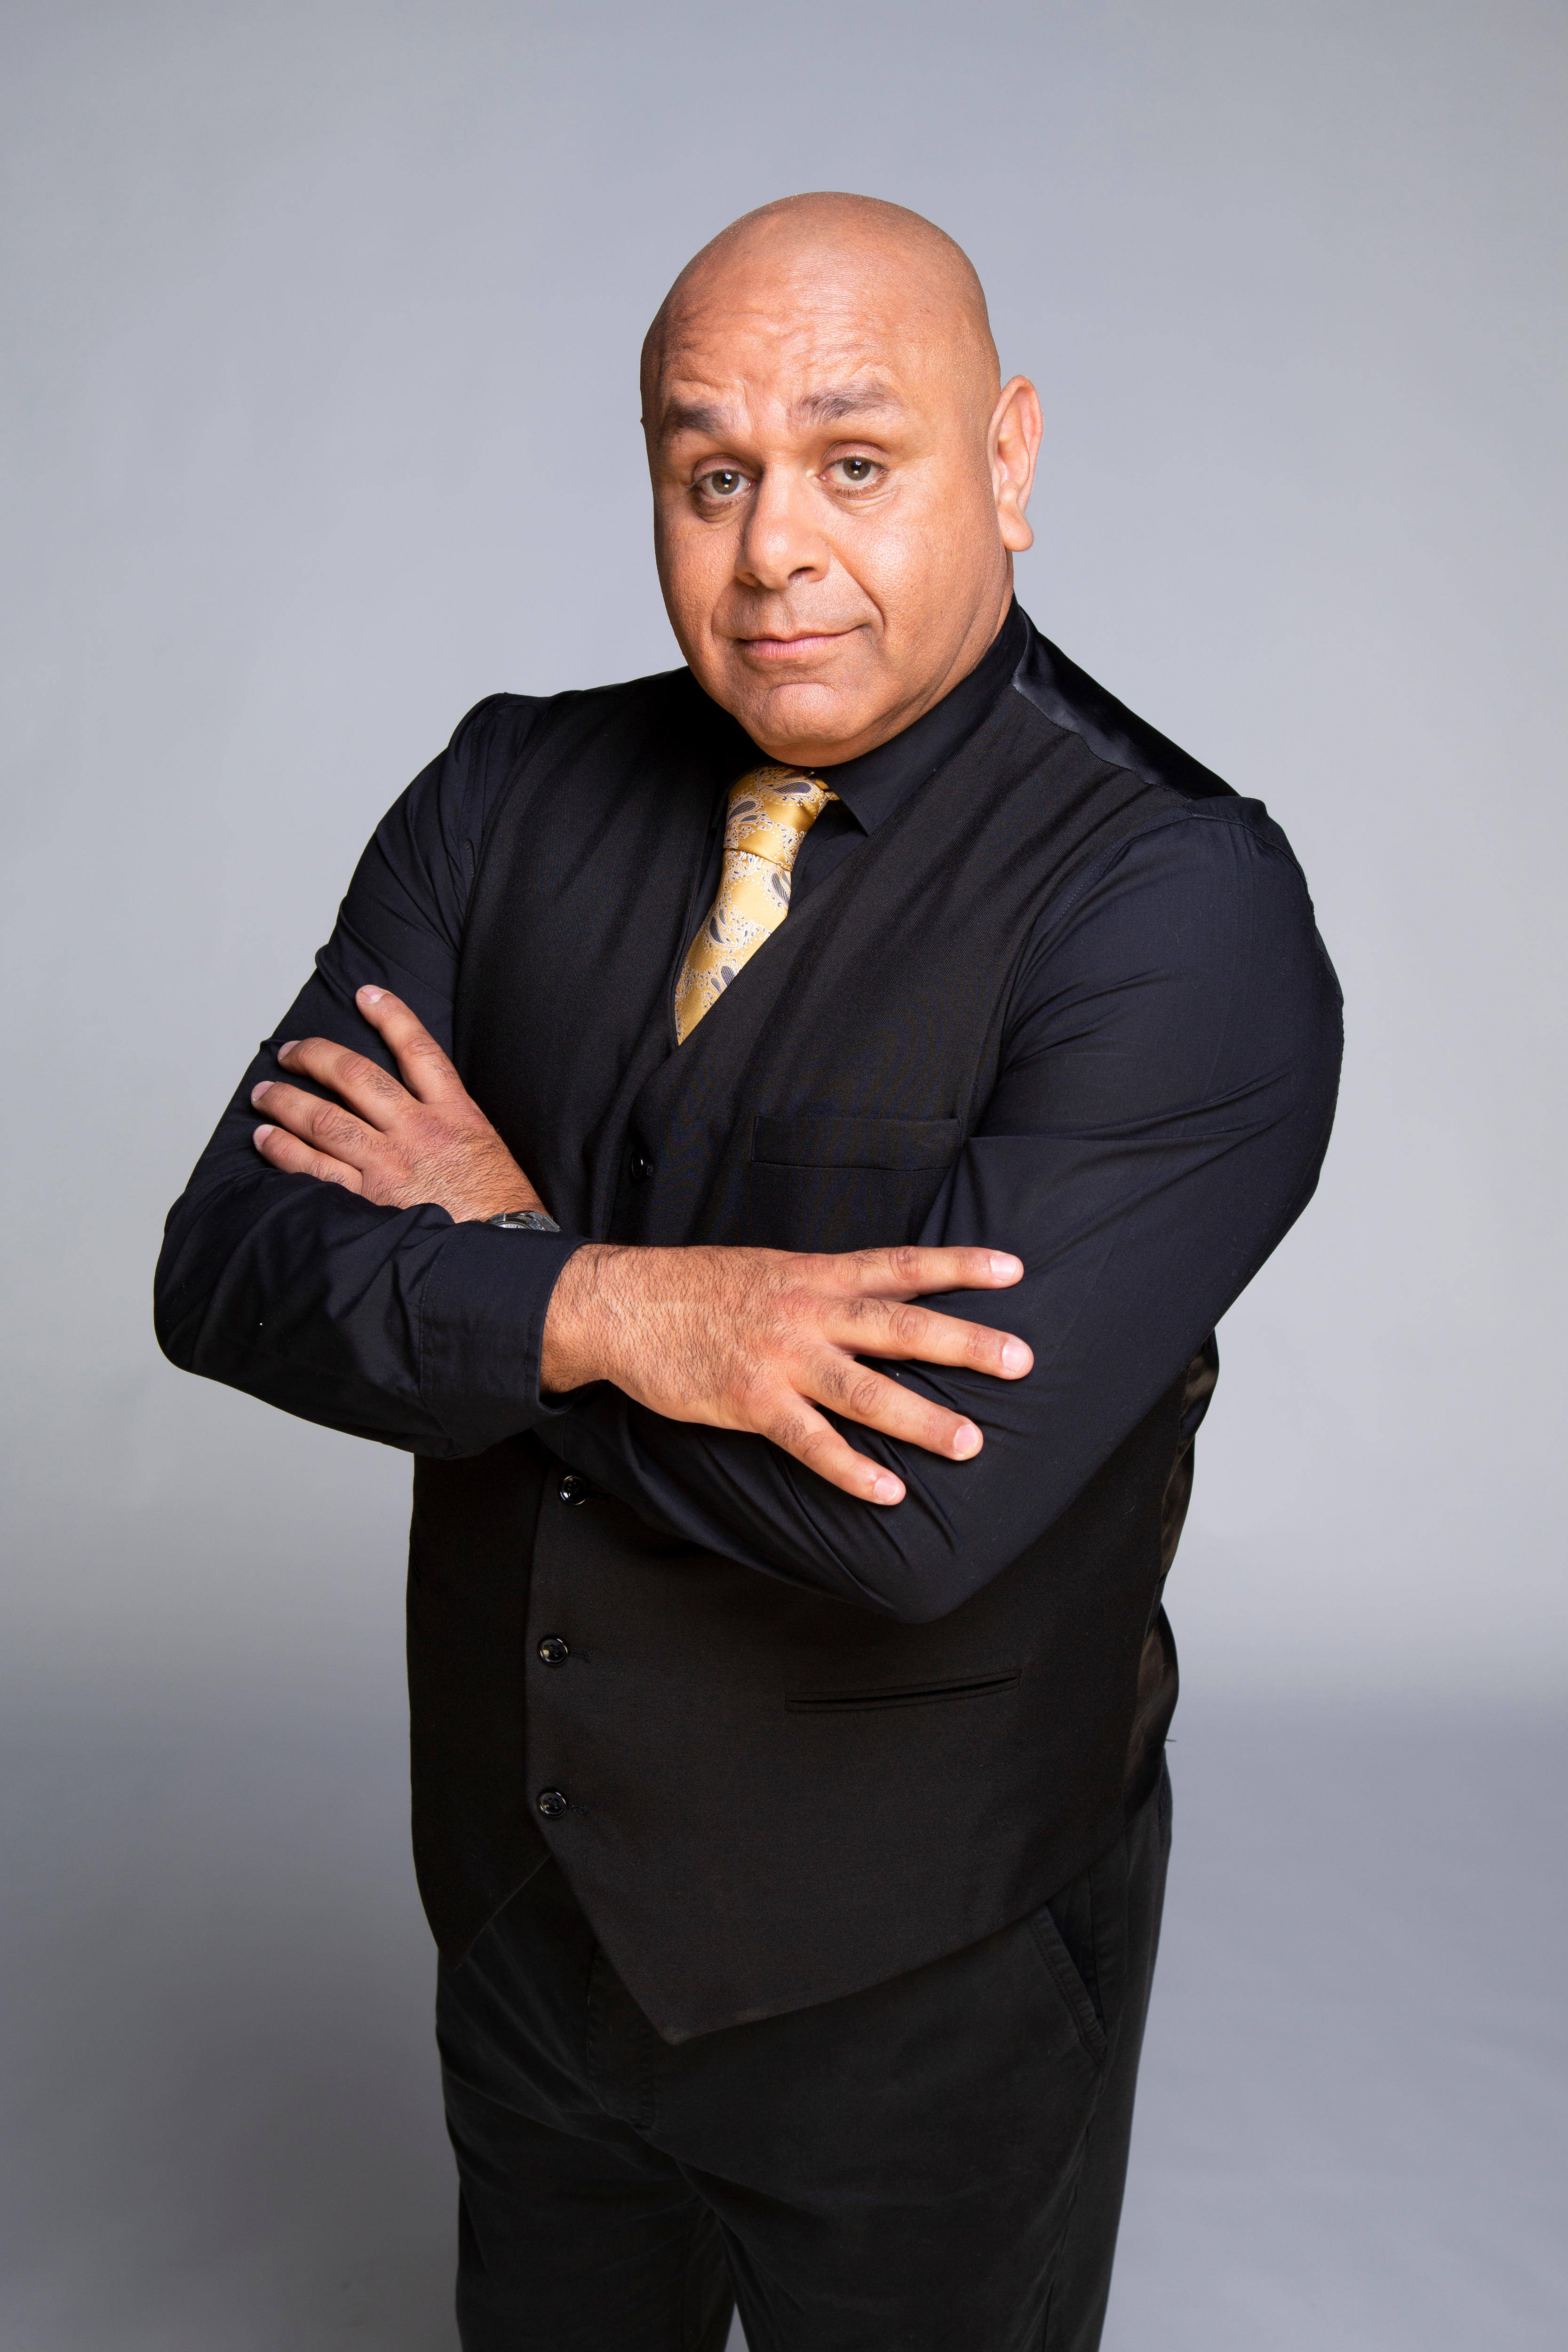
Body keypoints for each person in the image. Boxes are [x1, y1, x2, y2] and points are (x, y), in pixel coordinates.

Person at [156, 192, 1342, 2351]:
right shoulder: (509, 791)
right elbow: (229, 1265)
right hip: (523, 1922)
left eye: (854, 461)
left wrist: (492, 1251)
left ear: (1012, 463)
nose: (772, 547)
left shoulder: (1176, 905)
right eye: (713, 475)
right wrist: (625, 1305)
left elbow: (909, 1510)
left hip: (922, 1984)